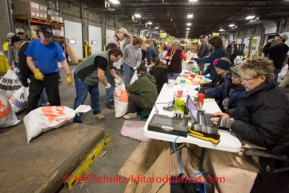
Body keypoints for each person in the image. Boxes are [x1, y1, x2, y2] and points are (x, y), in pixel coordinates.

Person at [189, 57, 289, 192]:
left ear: (262, 78)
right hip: (255, 139)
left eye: (246, 80)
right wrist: (230, 114)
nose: (243, 82)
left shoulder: (272, 101)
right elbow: (247, 110)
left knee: (212, 148)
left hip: (265, 151)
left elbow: (265, 137)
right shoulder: (260, 93)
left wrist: (229, 124)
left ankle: (210, 183)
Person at [25, 26, 72, 114]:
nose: (47, 39)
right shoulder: (33, 44)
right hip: (37, 76)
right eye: (45, 36)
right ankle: (30, 117)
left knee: (54, 98)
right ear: (40, 33)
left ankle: (57, 117)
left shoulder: (55, 46)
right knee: (33, 97)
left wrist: (68, 74)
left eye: (49, 37)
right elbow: (29, 59)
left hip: (52, 77)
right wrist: (35, 70)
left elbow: (64, 61)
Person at [73, 48, 123, 123]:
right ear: (112, 55)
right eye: (117, 58)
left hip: (92, 78)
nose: (117, 60)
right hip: (83, 76)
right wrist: (106, 84)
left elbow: (110, 69)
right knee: (81, 98)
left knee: (95, 95)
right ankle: (76, 120)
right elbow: (101, 76)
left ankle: (97, 113)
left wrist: (117, 77)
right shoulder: (102, 58)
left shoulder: (109, 58)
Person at [105, 27, 129, 109]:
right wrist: (113, 67)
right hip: (113, 67)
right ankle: (108, 100)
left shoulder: (118, 42)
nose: (124, 37)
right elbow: (111, 56)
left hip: (116, 66)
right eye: (124, 35)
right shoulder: (112, 41)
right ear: (120, 33)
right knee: (111, 83)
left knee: (114, 84)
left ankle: (111, 98)